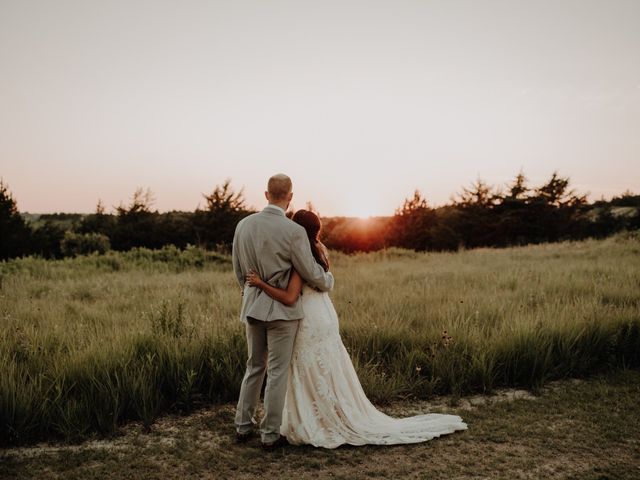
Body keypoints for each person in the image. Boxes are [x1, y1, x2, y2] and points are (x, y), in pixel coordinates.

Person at [246, 209, 468, 448]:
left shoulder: (300, 258)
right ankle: (329, 412)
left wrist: (261, 284)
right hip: (324, 315)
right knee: (326, 368)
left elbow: (290, 296)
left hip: (308, 319)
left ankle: (313, 420)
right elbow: (324, 281)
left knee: (307, 368)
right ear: (317, 230)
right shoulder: (320, 251)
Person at [231, 174, 334, 449]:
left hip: (253, 306)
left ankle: (242, 426)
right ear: (290, 197)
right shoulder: (294, 232)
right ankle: (269, 435)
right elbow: (308, 270)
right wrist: (328, 280)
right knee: (276, 371)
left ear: (266, 194)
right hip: (282, 313)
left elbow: (239, 270)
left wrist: (249, 292)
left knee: (253, 366)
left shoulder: (243, 225)